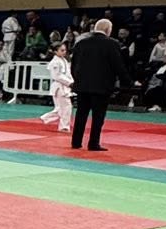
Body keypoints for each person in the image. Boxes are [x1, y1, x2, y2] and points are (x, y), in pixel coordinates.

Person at [70, 17, 122, 152]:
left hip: (82, 85)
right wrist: (128, 81)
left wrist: (77, 79)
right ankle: (93, 143)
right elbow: (118, 65)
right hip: (101, 86)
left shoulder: (81, 43)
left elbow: (74, 65)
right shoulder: (112, 44)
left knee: (81, 114)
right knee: (98, 116)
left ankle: (76, 142)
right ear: (108, 30)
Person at [40, 41, 73, 133]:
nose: (64, 52)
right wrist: (69, 83)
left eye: (65, 50)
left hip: (64, 86)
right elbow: (57, 76)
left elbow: (68, 74)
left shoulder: (64, 60)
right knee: (66, 107)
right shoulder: (55, 62)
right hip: (59, 87)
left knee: (62, 108)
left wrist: (72, 82)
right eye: (62, 50)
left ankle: (47, 118)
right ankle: (63, 126)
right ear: (55, 51)